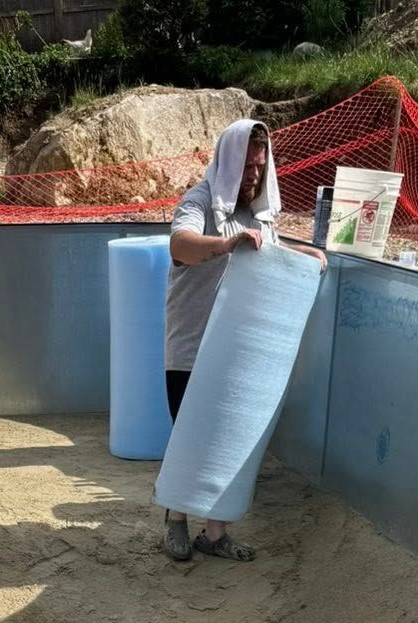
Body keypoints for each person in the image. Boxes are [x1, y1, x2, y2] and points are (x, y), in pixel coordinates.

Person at [162, 119, 326, 565]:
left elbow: (265, 252)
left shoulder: (258, 216)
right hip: (193, 349)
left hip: (234, 353)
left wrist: (302, 255)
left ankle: (215, 535)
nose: (253, 173)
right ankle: (176, 521)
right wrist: (225, 244)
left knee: (229, 441)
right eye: (246, 164)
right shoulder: (199, 201)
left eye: (260, 165)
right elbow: (181, 244)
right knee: (191, 440)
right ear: (228, 161)